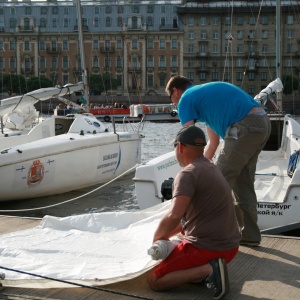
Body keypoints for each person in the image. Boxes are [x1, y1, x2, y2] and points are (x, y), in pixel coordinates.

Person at [165, 76, 271, 246]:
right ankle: (249, 235)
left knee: (213, 183)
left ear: (175, 91)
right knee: (242, 184)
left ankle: (197, 234)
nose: (173, 104)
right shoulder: (205, 102)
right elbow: (212, 145)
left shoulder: (185, 98)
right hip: (262, 123)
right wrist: (198, 170)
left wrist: (188, 175)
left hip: (244, 125)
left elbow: (186, 140)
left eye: (171, 99)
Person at [147, 125, 241, 300]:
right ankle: (207, 271)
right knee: (180, 245)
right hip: (231, 248)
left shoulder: (187, 174)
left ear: (180, 147)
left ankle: (210, 269)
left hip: (208, 249)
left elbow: (174, 215)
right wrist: (168, 235)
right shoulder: (212, 168)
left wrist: (157, 239)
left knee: (154, 279)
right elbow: (188, 220)